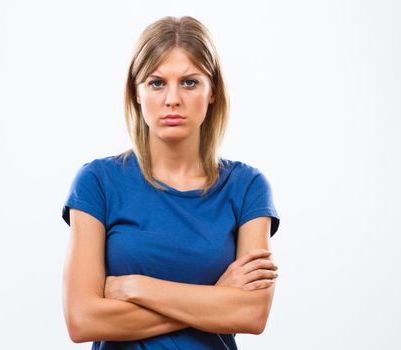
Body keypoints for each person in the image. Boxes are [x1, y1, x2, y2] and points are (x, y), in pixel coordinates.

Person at [61, 15, 280, 349]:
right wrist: (216, 299)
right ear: (136, 92)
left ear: (212, 92)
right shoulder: (98, 182)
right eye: (156, 82)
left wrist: (135, 287)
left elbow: (251, 315)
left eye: (189, 82)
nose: (172, 99)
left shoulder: (247, 187)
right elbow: (82, 319)